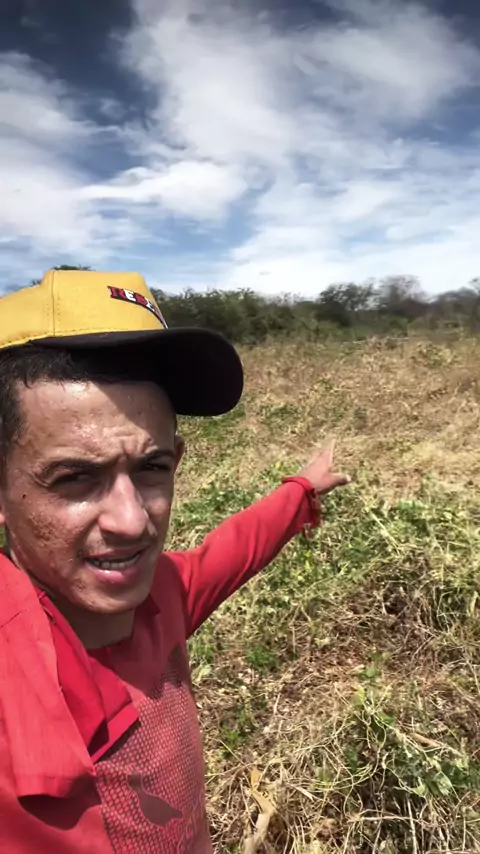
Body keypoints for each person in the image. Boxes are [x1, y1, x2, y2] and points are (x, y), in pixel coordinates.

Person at [0, 269, 349, 854]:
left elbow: (232, 552)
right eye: (75, 477)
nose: (132, 521)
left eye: (152, 468)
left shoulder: (164, 591)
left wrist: (301, 491)